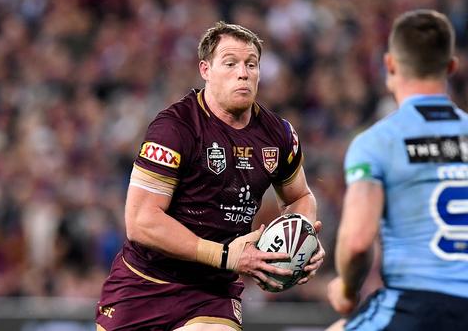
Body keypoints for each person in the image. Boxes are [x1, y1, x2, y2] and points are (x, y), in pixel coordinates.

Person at [96, 21, 325, 331]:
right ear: (205, 70)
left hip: (212, 293)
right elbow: (140, 221)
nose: (243, 73)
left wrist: (301, 237)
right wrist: (224, 255)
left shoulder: (278, 135)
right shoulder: (175, 129)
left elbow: (299, 196)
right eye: (230, 63)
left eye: (251, 64)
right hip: (143, 284)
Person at [326, 10, 468, 331]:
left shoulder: (378, 142)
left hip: (413, 310)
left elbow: (357, 241)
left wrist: (345, 289)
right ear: (452, 66)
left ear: (389, 64)